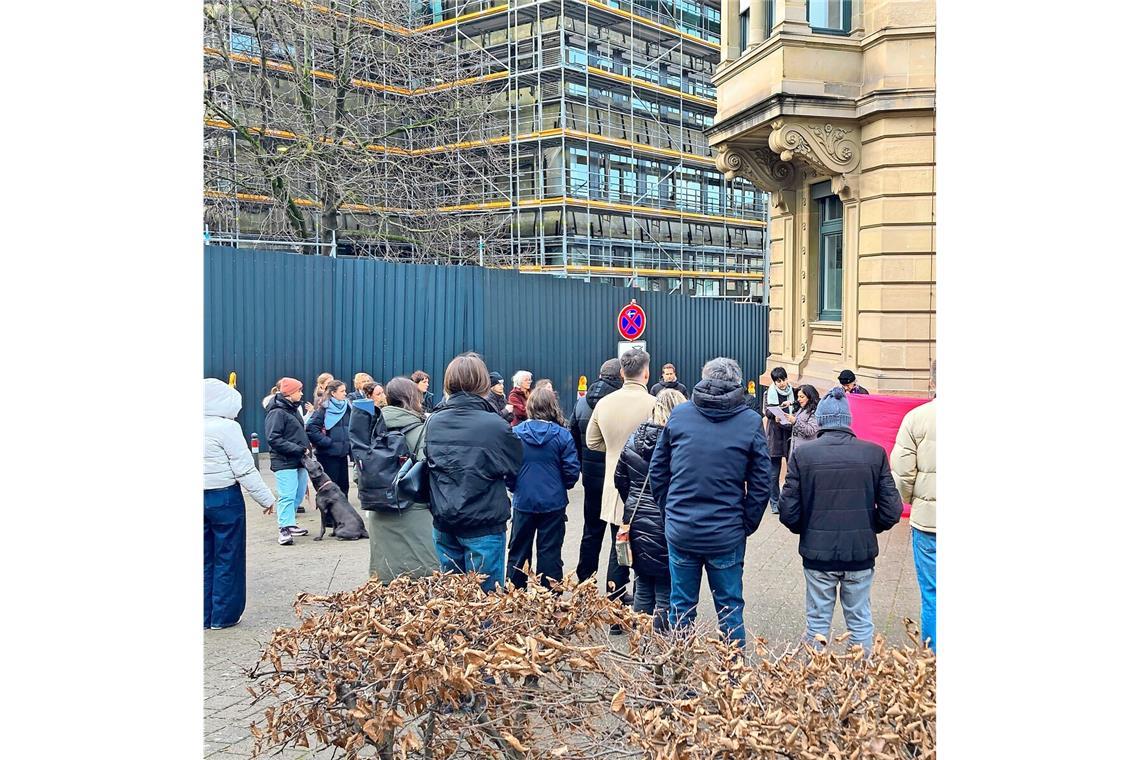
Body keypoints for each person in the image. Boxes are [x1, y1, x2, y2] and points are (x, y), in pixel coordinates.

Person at [649, 357, 770, 648]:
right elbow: (761, 483)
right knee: (730, 609)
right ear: (738, 383)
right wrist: (745, 524)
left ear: (703, 379)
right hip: (726, 533)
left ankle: (681, 675)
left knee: (681, 607)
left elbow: (658, 471)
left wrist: (670, 512)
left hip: (682, 530)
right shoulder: (751, 422)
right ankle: (731, 683)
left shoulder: (679, 416)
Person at [778, 387, 903, 652]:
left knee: (817, 624)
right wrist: (869, 526)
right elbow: (892, 509)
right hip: (860, 552)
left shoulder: (803, 454)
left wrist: (808, 529)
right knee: (859, 622)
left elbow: (787, 510)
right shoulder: (874, 453)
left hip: (817, 554)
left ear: (821, 421)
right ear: (848, 421)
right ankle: (858, 685)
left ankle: (812, 686)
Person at [424, 353, 524, 593]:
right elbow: (514, 466)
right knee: (486, 603)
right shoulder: (495, 425)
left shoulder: (433, 421)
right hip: (484, 522)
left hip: (444, 519)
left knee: (451, 602)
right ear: (483, 384)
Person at [586, 348, 656, 609]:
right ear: (646, 372)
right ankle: (642, 606)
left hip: (615, 486)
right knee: (647, 550)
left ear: (622, 372)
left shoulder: (604, 403)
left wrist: (615, 450)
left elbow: (592, 442)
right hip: (646, 488)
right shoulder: (653, 404)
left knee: (618, 549)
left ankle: (615, 609)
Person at [204, 379, 276, 629]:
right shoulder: (228, 428)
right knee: (228, 555)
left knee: (202, 557)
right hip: (224, 497)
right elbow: (244, 468)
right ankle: (222, 616)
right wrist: (265, 498)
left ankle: (203, 615)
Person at [613, 389, 686, 632]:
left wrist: (633, 500)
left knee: (642, 583)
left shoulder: (635, 437)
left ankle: (640, 641)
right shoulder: (680, 441)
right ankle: (661, 644)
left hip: (636, 518)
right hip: (668, 519)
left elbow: (620, 477)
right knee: (666, 586)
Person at [361, 376, 439, 583]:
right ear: (414, 397)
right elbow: (432, 473)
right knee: (423, 586)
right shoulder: (423, 430)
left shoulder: (371, 429)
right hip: (416, 513)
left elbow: (358, 473)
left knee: (387, 585)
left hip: (380, 513)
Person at [506, 387, 581, 590]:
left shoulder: (516, 434)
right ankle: (549, 597)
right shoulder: (563, 436)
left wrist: (514, 488)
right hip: (553, 502)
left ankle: (515, 595)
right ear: (552, 407)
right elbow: (572, 471)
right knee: (550, 552)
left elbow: (509, 469)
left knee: (518, 550)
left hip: (524, 501)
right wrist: (561, 485)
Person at [890, 364, 936, 653]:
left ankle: (933, 663)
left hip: (929, 523)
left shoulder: (917, 419)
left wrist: (909, 502)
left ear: (932, 381)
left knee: (933, 595)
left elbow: (903, 474)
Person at [569, 359, 623, 586]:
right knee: (618, 534)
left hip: (591, 478)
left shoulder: (581, 404)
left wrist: (583, 465)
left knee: (591, 531)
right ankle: (616, 589)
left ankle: (585, 584)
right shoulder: (619, 402)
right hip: (617, 479)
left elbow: (573, 436)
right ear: (620, 375)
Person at [263, 377, 311, 546]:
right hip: (284, 461)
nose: (302, 393)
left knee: (297, 493)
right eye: (299, 390)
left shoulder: (292, 409)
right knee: (287, 495)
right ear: (290, 393)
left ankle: (290, 524)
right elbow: (273, 438)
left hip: (299, 460)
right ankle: (284, 528)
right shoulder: (277, 412)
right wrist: (298, 448)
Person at [305, 379, 352, 499]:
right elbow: (311, 429)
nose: (345, 393)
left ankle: (343, 513)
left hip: (342, 454)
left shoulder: (347, 408)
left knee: (343, 487)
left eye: (345, 391)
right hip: (328, 454)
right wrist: (326, 442)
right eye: (342, 391)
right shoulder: (323, 409)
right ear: (333, 393)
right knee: (331, 487)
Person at [763, 367, 796, 515]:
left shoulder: (794, 392)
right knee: (774, 474)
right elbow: (768, 410)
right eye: (778, 381)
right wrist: (776, 414)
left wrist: (791, 410)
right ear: (774, 382)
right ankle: (774, 502)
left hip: (790, 433)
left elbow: (799, 406)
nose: (782, 384)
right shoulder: (768, 393)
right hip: (775, 435)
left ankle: (790, 501)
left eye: (783, 379)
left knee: (792, 470)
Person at [787, 384, 821, 454]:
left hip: (806, 451)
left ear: (810, 397)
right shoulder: (801, 408)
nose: (799, 399)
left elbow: (811, 430)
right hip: (795, 448)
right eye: (798, 397)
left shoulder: (815, 411)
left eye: (802, 397)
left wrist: (795, 421)